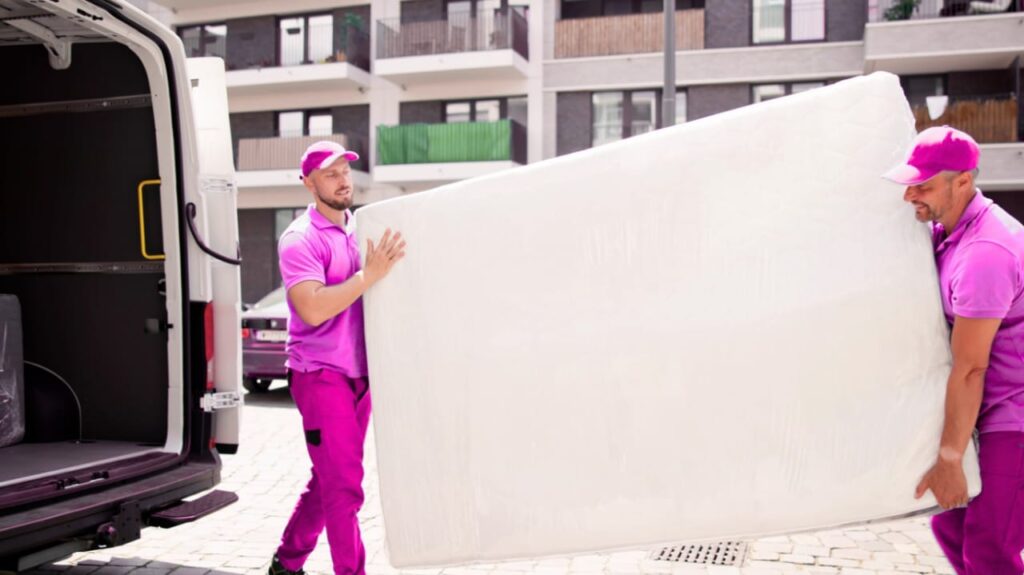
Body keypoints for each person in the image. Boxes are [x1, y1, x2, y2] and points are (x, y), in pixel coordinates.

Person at [883, 126, 1024, 575]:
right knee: (950, 525)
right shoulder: (949, 232)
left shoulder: (985, 253)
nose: (909, 195)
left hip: (1014, 417)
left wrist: (949, 457)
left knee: (988, 547)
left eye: (922, 186)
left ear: (962, 181)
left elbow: (970, 368)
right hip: (987, 408)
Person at [270, 140, 406, 575]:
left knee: (329, 479)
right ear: (309, 184)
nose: (343, 180)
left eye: (345, 171)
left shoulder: (361, 229)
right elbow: (312, 308)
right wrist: (368, 275)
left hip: (361, 376)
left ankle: (287, 563)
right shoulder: (300, 239)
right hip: (320, 375)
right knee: (344, 488)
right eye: (330, 174)